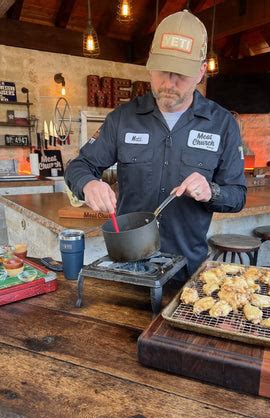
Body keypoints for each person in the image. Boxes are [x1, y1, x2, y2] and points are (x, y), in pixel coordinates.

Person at [64, 9, 246, 278]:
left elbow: (238, 195)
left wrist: (212, 192)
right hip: (128, 263)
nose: (169, 83)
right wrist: (88, 184)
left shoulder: (222, 124)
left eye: (180, 75)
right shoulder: (122, 119)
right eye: (162, 71)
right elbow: (78, 166)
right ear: (150, 63)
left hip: (187, 267)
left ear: (200, 72)